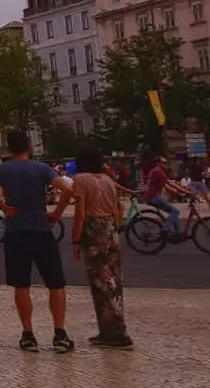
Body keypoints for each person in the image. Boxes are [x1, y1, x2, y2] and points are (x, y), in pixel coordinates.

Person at [0, 130, 75, 353]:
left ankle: (28, 334)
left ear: (10, 148)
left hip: (15, 231)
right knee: (55, 283)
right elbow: (68, 190)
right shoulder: (41, 168)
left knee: (21, 285)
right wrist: (57, 213)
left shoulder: (2, 169)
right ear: (28, 146)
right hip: (41, 230)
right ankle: (60, 334)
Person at [71, 147, 132, 349]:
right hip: (111, 230)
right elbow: (117, 208)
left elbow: (80, 213)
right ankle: (120, 329)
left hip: (94, 230)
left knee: (99, 282)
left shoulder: (81, 179)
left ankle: (108, 333)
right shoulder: (107, 180)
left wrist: (76, 240)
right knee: (114, 281)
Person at [145, 156, 192, 240]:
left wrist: (179, 194)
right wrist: (185, 191)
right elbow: (170, 183)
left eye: (166, 162)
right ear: (158, 163)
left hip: (154, 196)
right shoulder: (157, 171)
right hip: (154, 197)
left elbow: (166, 186)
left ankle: (179, 232)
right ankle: (166, 229)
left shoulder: (158, 171)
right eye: (164, 162)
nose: (166, 164)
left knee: (173, 212)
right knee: (175, 211)